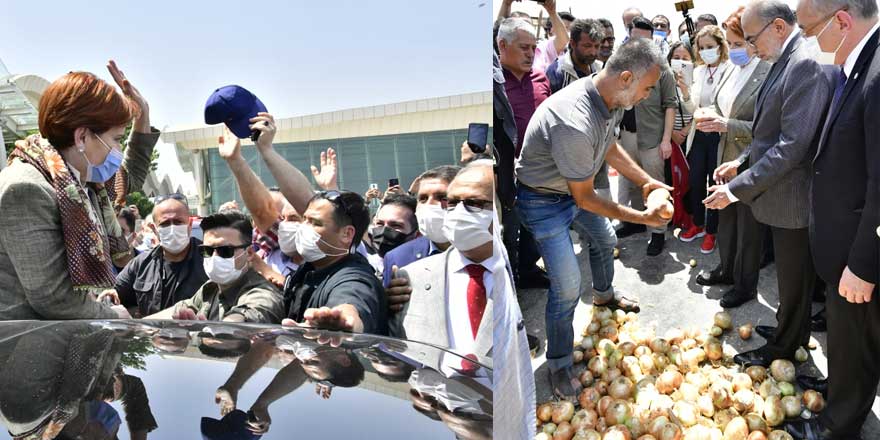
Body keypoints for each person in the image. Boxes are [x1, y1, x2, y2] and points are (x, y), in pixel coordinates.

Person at [515, 39, 671, 400]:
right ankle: (558, 363)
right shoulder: (574, 119)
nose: (648, 95)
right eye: (647, 88)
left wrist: (646, 181)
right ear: (627, 77)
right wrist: (642, 215)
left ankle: (603, 296)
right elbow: (585, 197)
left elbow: (610, 148)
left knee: (605, 240)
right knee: (568, 285)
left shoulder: (611, 97)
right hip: (542, 201)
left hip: (570, 187)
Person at [703, 0, 832, 368]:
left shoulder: (803, 63)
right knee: (790, 285)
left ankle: (785, 346)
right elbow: (766, 134)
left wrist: (733, 190)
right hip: (777, 192)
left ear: (778, 28)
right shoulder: (782, 60)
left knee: (794, 283)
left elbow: (792, 147)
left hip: (793, 198)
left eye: (752, 37)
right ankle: (786, 331)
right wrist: (740, 162)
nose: (749, 46)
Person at [783, 0, 880, 437]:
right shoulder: (857, 66)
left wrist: (864, 264)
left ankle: (837, 425)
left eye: (808, 30)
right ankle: (839, 388)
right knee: (843, 337)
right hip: (840, 242)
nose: (806, 41)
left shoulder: (878, 75)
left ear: (841, 21)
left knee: (858, 341)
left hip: (859, 253)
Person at [0, 61, 157, 320]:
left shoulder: (82, 183)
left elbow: (131, 176)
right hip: (25, 349)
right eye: (116, 139)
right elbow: (54, 299)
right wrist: (114, 316)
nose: (117, 151)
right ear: (82, 138)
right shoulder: (27, 188)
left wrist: (144, 115)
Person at [693, 7, 771, 310]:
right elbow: (724, 106)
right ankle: (726, 269)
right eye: (731, 44)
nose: (735, 50)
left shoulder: (766, 72)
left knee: (748, 229)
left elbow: (768, 127)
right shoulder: (733, 70)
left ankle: (745, 284)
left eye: (739, 43)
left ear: (753, 40)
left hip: (749, 161)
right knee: (726, 219)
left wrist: (728, 125)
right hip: (723, 156)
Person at [390, 161, 496, 365]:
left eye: (474, 203)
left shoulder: (513, 270)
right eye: (453, 202)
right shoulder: (409, 276)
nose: (459, 212)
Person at [616, 16, 679, 256]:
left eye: (646, 40)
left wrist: (666, 140)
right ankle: (633, 222)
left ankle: (658, 233)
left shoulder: (663, 70)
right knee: (630, 183)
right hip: (626, 136)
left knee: (655, 187)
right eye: (636, 39)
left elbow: (670, 105)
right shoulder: (619, 67)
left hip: (652, 138)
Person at [171, 211, 284, 323]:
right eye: (207, 250)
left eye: (225, 251)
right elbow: (181, 309)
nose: (214, 257)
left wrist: (220, 330)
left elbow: (248, 315)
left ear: (249, 253)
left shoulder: (263, 293)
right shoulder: (210, 288)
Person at [108, 193, 208, 317]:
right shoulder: (141, 264)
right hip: (152, 335)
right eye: (165, 224)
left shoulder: (209, 258)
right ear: (154, 229)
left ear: (189, 225)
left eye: (178, 222)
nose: (172, 228)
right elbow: (115, 296)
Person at [680, 25, 731, 254]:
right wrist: (686, 93)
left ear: (721, 46)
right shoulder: (698, 72)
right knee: (696, 180)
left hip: (719, 136)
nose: (705, 52)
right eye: (701, 48)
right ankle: (697, 224)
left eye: (710, 47)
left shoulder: (730, 70)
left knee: (715, 184)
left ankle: (712, 231)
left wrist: (714, 114)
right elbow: (692, 107)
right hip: (699, 133)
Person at [383, 165, 458, 298]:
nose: (429, 204)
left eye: (441, 197)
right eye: (423, 198)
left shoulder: (486, 250)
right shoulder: (398, 258)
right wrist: (387, 302)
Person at [497, 17, 552, 157]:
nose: (531, 54)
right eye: (524, 48)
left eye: (534, 48)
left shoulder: (541, 78)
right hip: (507, 170)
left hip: (544, 166)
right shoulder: (493, 83)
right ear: (502, 45)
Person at [546, 19, 605, 94]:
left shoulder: (599, 69)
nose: (593, 53)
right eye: (587, 46)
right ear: (573, 44)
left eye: (597, 46)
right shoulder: (557, 72)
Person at [365, 192, 420, 274]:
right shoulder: (364, 266)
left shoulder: (426, 269)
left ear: (416, 235)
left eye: (395, 225)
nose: (384, 230)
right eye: (380, 224)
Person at [532, 0, 573, 73]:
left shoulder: (572, 52)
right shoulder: (543, 47)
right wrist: (552, 12)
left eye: (571, 30)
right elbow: (564, 40)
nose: (568, 33)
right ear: (551, 29)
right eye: (565, 28)